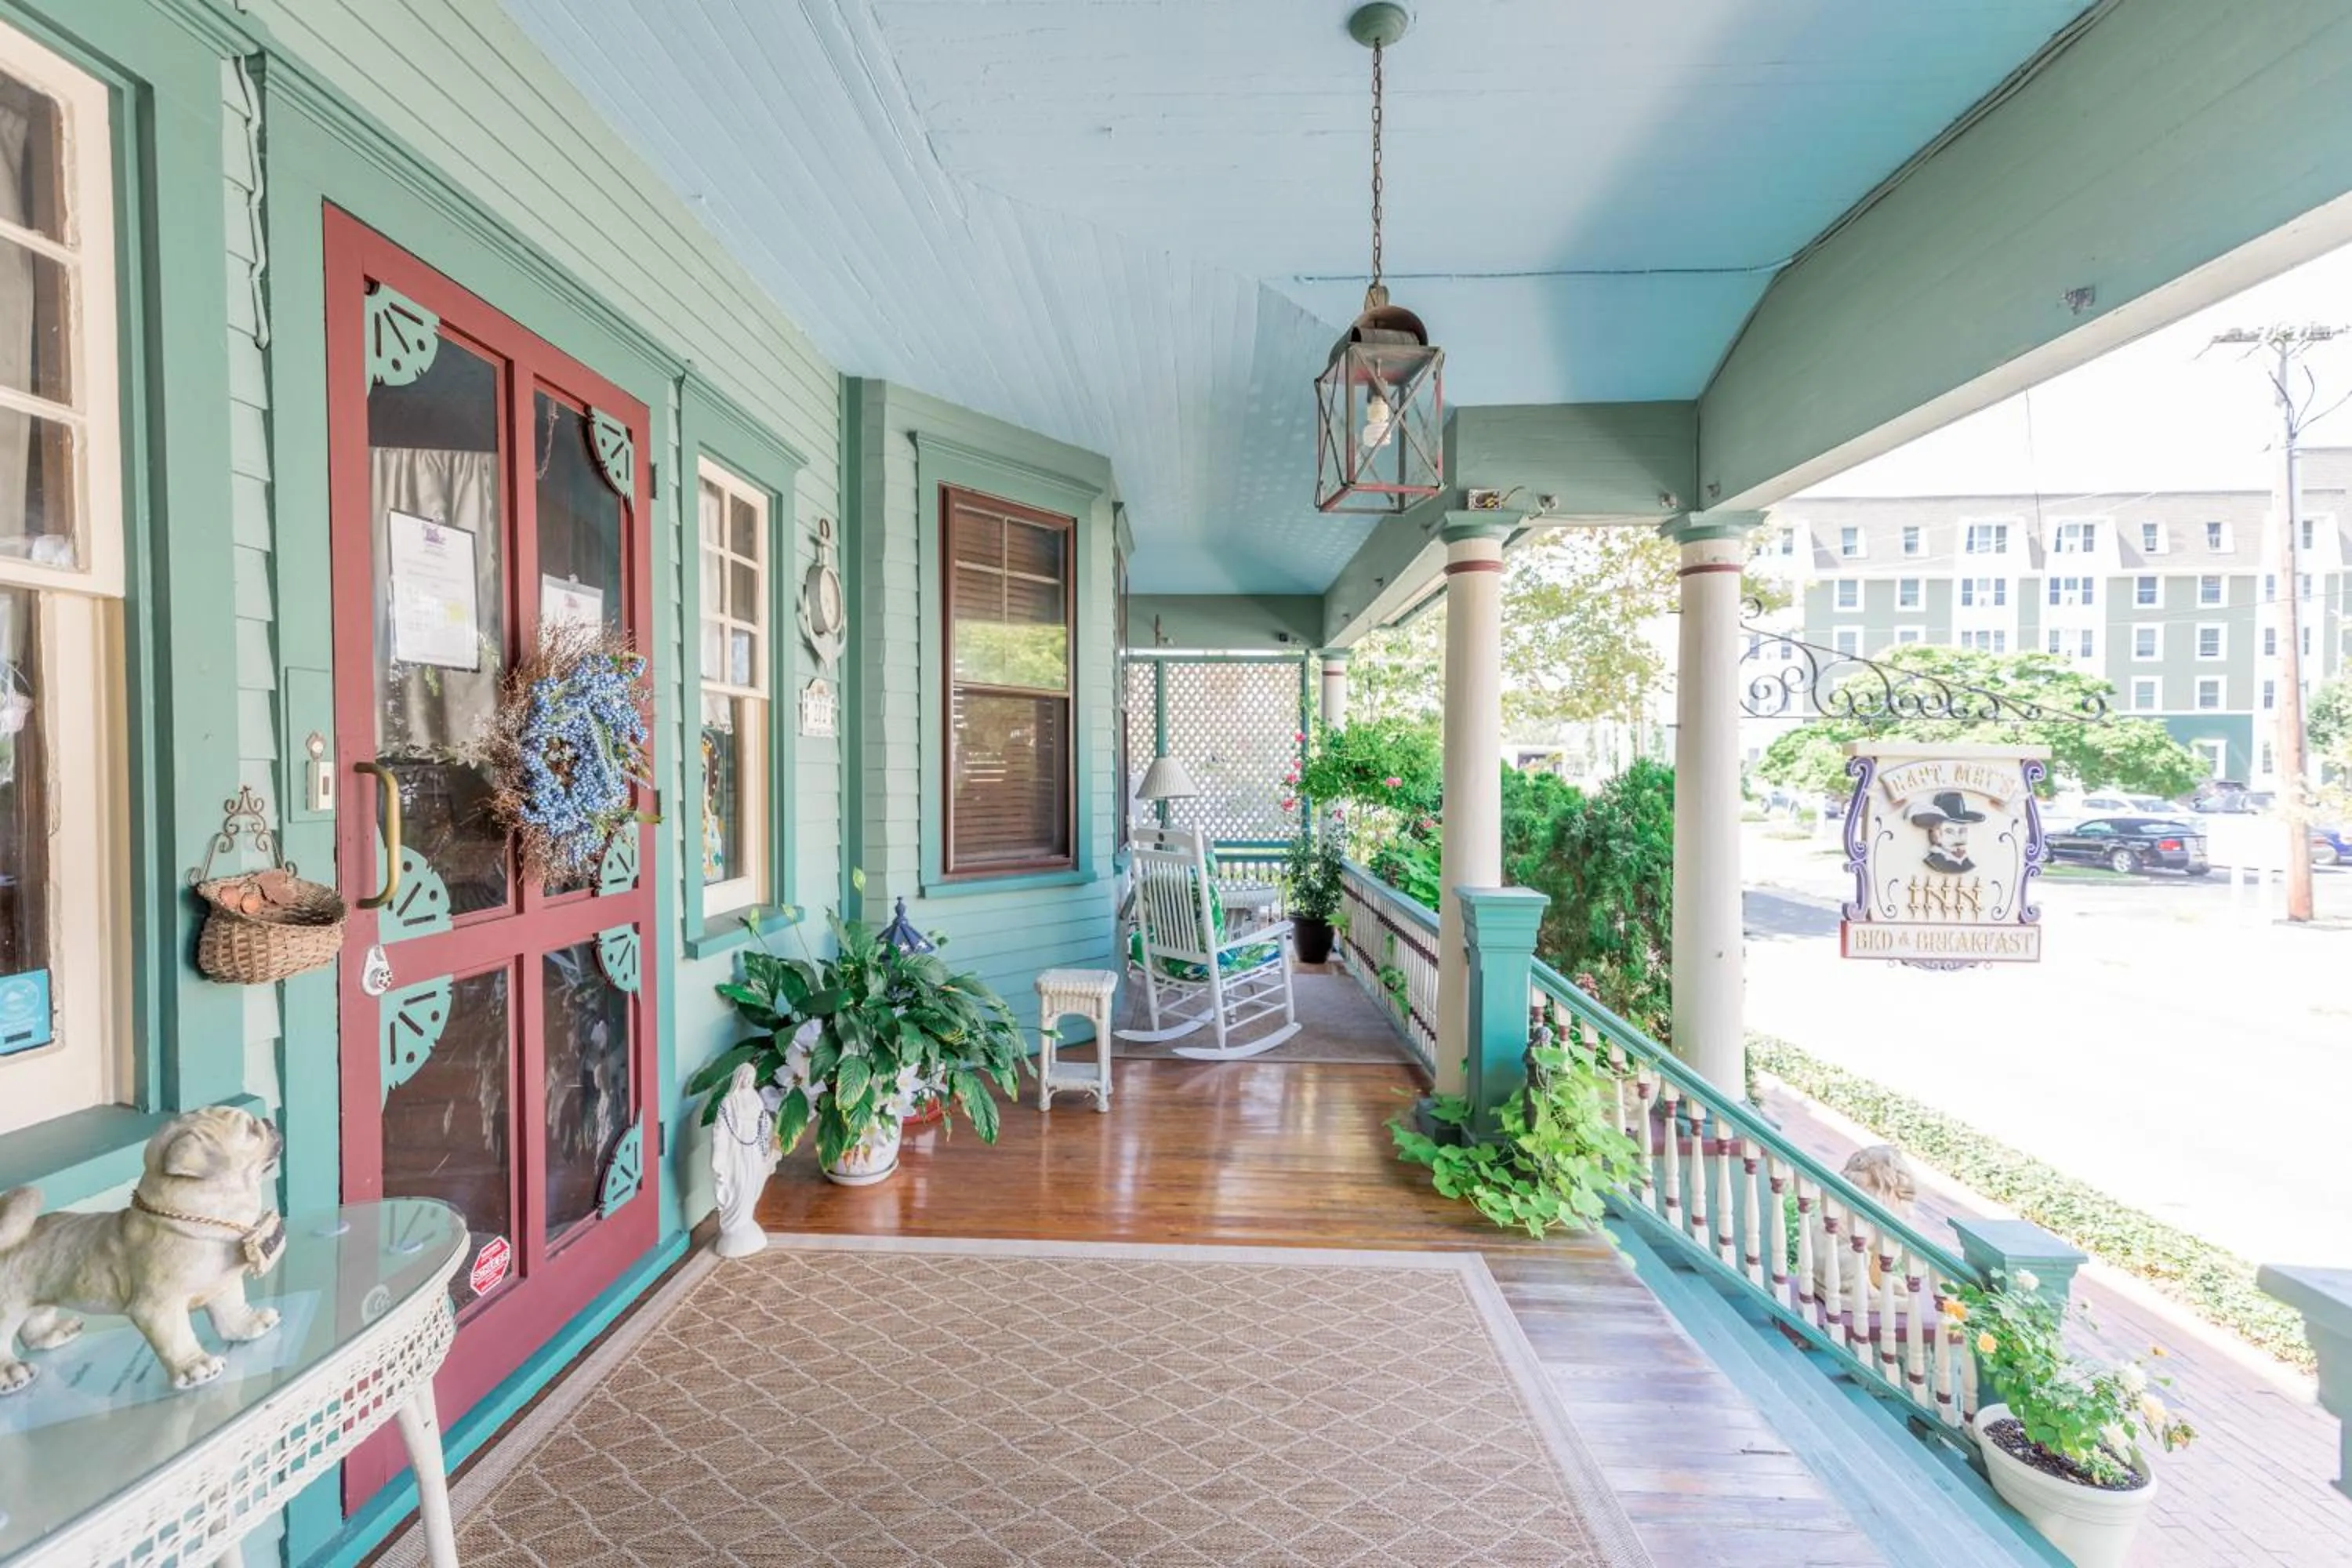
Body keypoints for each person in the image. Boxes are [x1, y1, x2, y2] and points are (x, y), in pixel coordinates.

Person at [1908, 790, 1984, 874]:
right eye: (1950, 832)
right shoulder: (1936, 861)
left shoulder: (1967, 864)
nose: (1959, 840)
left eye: (1963, 832)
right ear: (1936, 834)